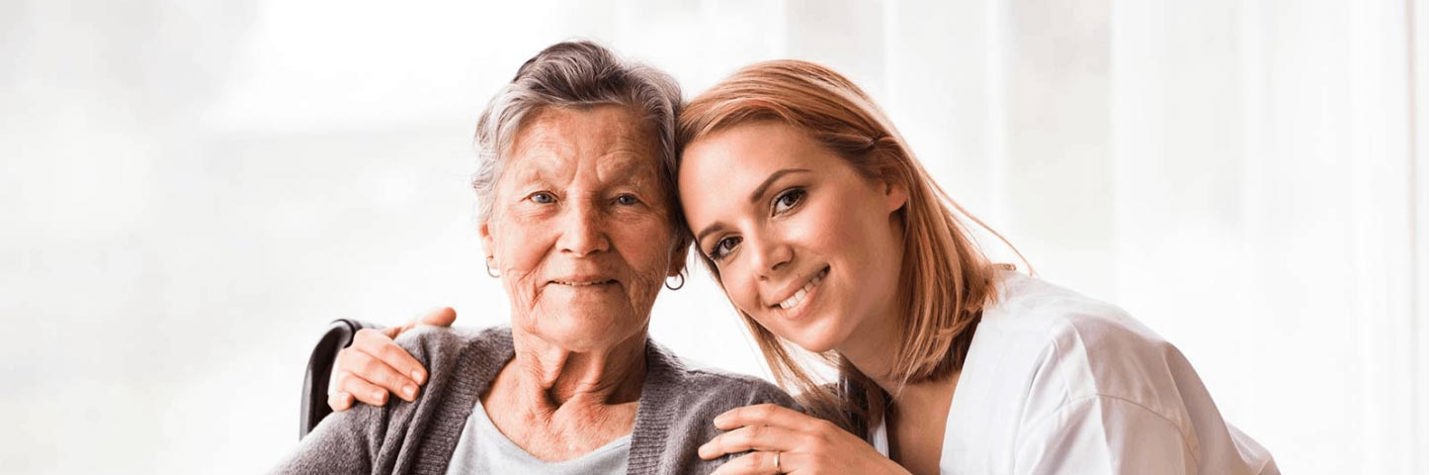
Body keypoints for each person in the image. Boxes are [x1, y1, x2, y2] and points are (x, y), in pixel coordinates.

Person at [331, 60, 1279, 474]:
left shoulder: (1074, 370)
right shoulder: (856, 410)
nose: (767, 256)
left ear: (888, 177)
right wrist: (341, 369)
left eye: (787, 197)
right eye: (727, 242)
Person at [273, 41, 794, 475]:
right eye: (543, 198)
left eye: (624, 199)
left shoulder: (739, 430)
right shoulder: (418, 378)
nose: (583, 238)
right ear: (489, 236)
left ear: (677, 245)